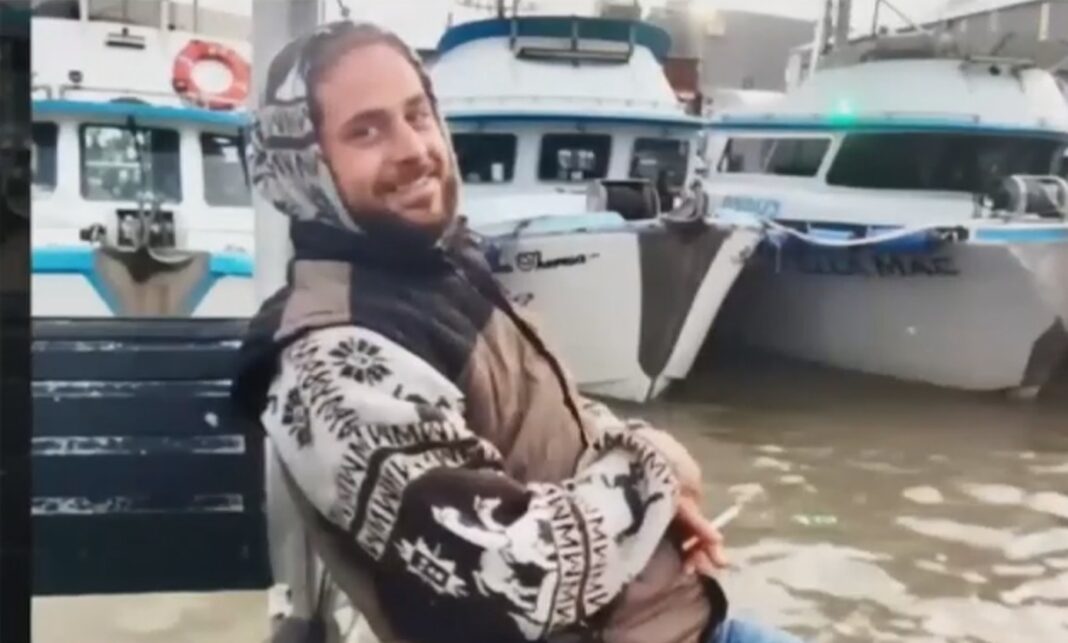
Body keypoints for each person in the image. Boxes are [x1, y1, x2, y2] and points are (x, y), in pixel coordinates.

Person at [231, 20, 802, 643]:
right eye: (365, 131)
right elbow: (509, 574)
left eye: (418, 115)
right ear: (304, 167)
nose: (414, 149)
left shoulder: (433, 269)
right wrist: (651, 474)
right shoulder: (332, 358)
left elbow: (543, 418)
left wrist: (644, 469)